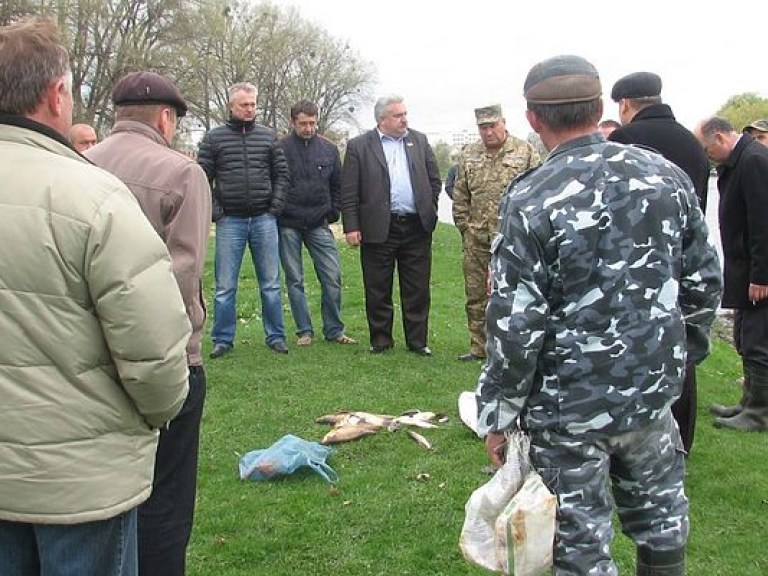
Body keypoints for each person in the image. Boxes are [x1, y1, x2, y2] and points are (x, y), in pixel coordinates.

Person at [476, 55, 721, 574]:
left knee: (580, 546)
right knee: (662, 523)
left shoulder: (530, 197)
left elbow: (515, 328)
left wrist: (497, 416)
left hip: (569, 412)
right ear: (599, 107)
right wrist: (677, 358)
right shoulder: (665, 176)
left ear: (532, 117)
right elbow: (704, 282)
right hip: (650, 396)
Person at [0, 17, 191, 576]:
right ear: (58, 95)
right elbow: (156, 357)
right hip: (78, 482)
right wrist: (162, 410)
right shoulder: (94, 197)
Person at [85, 71, 212, 576]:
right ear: (166, 118)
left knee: (106, 494)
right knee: (166, 499)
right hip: (167, 359)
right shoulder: (183, 173)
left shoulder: (79, 164)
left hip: (89, 356)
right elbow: (183, 276)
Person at [608, 71, 712, 454]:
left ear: (625, 104)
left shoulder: (625, 141)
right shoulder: (691, 141)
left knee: (631, 350)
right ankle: (680, 439)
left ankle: (628, 432)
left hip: (635, 264)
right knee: (679, 347)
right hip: (680, 259)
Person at [341, 94, 441, 356]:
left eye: (405, 113)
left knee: (417, 288)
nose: (404, 119)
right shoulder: (359, 146)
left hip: (416, 227)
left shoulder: (418, 140)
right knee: (377, 287)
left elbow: (434, 180)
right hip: (378, 227)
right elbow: (349, 191)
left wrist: (429, 209)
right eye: (398, 115)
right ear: (382, 119)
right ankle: (381, 340)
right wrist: (351, 227)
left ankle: (418, 341)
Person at [198, 81, 290, 357]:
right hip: (230, 222)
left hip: (264, 218)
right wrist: (217, 212)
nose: (250, 109)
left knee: (271, 283)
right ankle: (222, 340)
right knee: (225, 286)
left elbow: (282, 175)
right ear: (231, 106)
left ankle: (276, 336)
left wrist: (275, 207)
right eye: (244, 105)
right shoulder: (214, 139)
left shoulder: (268, 137)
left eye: (253, 104)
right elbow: (202, 178)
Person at [694, 116, 768, 432]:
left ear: (721, 138)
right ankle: (748, 402)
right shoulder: (742, 161)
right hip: (744, 266)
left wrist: (762, 275)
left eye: (708, 149)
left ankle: (759, 412)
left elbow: (764, 222)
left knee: (758, 340)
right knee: (745, 335)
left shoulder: (753, 161)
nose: (708, 156)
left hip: (758, 270)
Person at [452, 104, 540, 362]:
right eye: (483, 127)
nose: (488, 132)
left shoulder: (525, 152)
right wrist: (465, 227)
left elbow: (536, 193)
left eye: (493, 125)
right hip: (477, 238)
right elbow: (460, 194)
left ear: (503, 122)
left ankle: (511, 348)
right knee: (476, 295)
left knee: (514, 295)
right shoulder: (469, 154)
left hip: (512, 239)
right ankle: (479, 347)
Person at [276, 100, 356, 347]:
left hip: (319, 222)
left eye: (312, 123)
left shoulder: (329, 150)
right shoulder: (279, 149)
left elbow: (337, 185)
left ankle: (334, 329)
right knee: (295, 279)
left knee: (332, 277)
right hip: (288, 222)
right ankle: (304, 331)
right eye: (303, 123)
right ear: (293, 123)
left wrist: (333, 212)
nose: (308, 128)